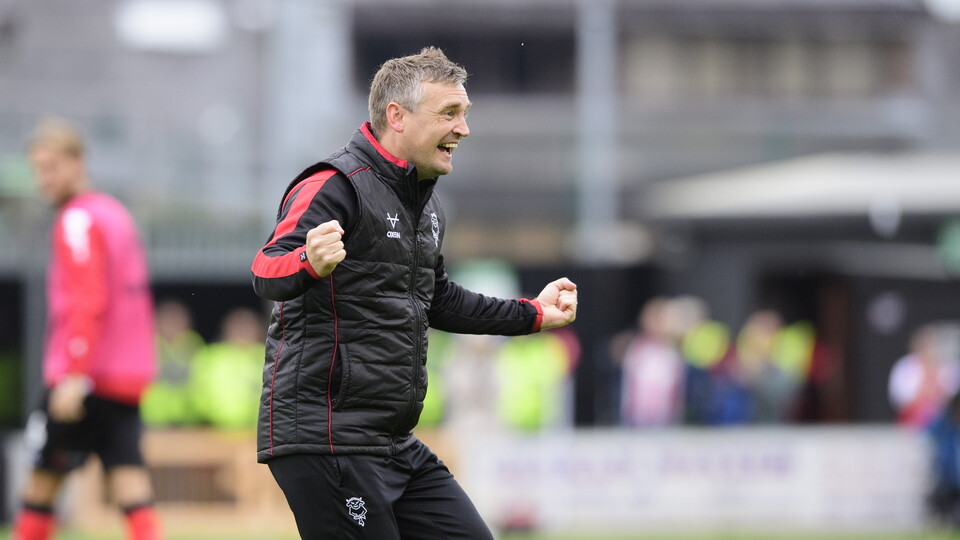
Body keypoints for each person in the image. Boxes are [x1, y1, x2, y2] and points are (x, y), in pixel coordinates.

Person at [250, 46, 578, 539]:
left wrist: (532, 313)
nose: (463, 129)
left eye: (464, 114)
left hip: (391, 442)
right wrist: (307, 261)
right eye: (449, 114)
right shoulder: (334, 184)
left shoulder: (426, 206)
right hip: (328, 438)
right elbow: (265, 267)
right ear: (396, 116)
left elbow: (437, 299)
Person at [13, 119, 162, 540]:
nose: (44, 180)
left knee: (42, 481)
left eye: (51, 167)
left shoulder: (77, 220)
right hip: (125, 376)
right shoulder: (115, 213)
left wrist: (74, 374)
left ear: (78, 162)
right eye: (38, 169)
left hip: (84, 375)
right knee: (130, 482)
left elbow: (86, 300)